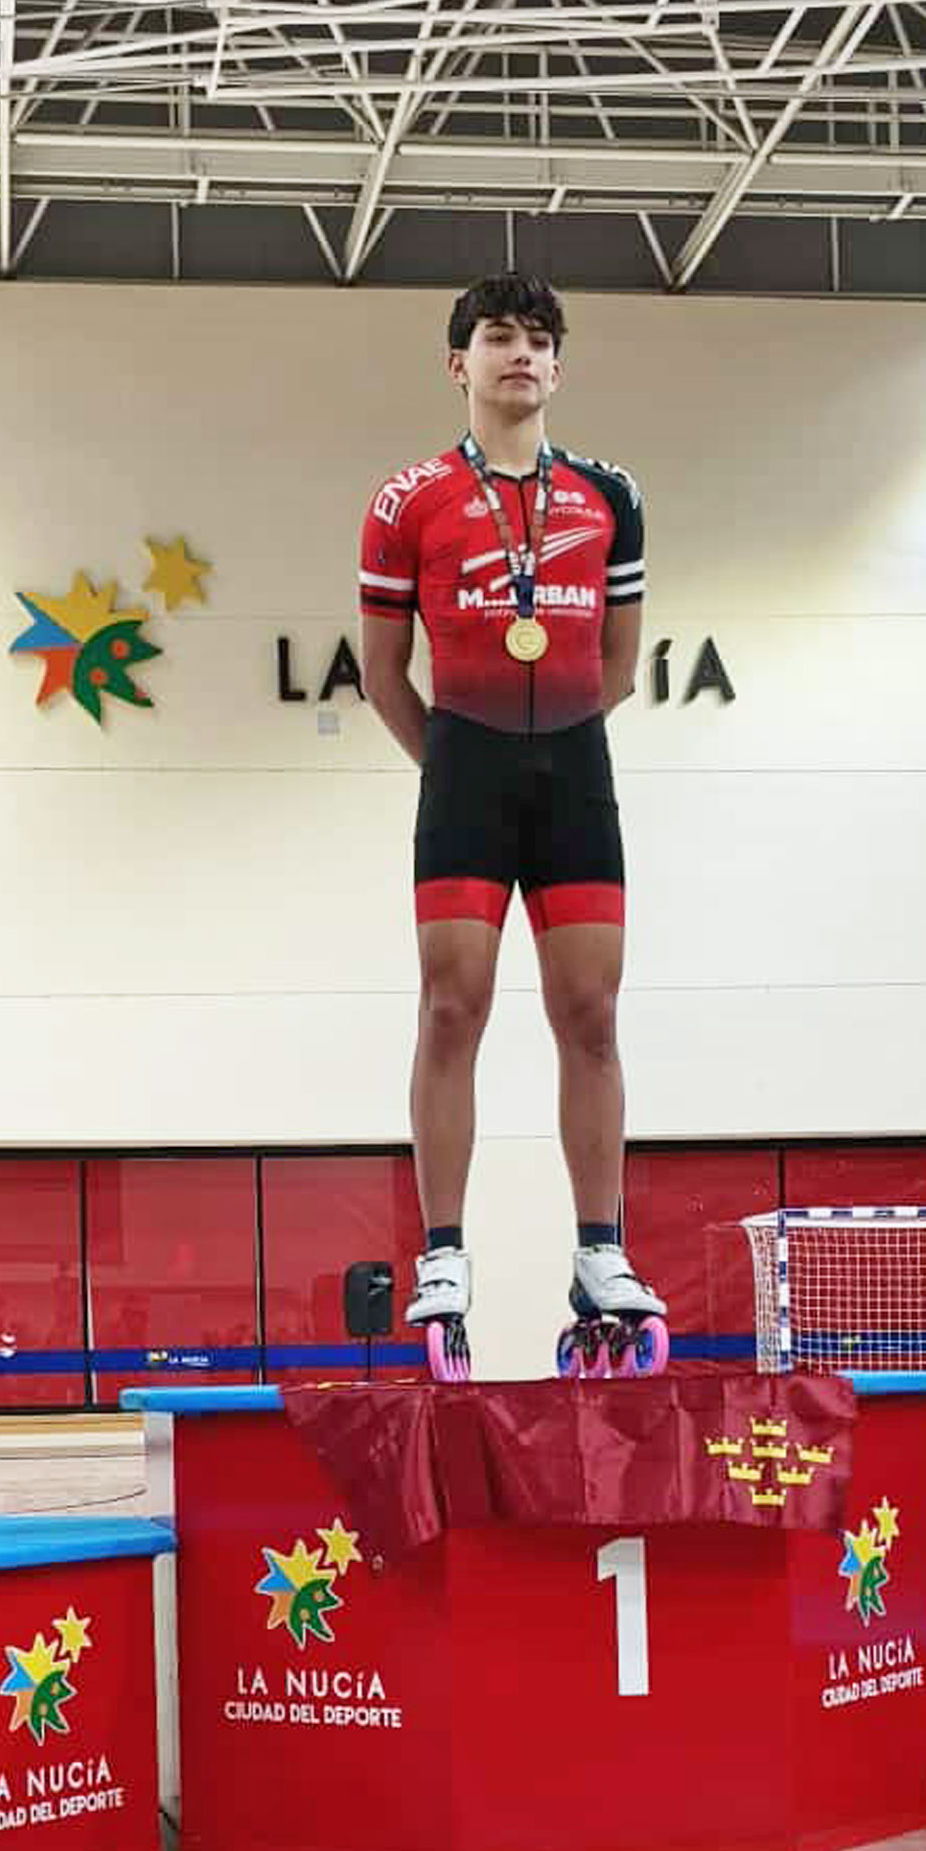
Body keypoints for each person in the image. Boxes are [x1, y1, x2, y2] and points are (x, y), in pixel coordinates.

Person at [358, 273, 667, 1375]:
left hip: (574, 765)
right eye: (498, 338)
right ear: (459, 364)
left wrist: (552, 738)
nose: (519, 355)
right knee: (453, 1005)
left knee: (590, 1013)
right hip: (465, 770)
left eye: (539, 340)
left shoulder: (609, 495)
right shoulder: (408, 501)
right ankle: (443, 1250)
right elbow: (384, 670)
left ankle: (599, 1249)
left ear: (558, 367)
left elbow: (620, 662)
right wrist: (451, 761)